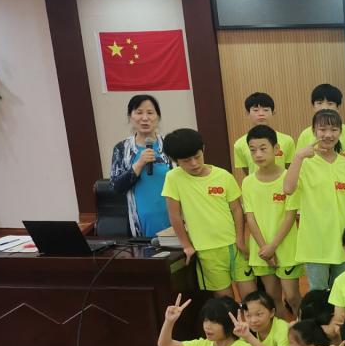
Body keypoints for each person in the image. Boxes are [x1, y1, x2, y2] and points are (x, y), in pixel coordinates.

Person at [162, 128, 254, 298]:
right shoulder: (173, 178)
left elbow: (237, 210)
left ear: (203, 149)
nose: (194, 164)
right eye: (186, 161)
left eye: (197, 157)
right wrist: (186, 245)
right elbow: (174, 215)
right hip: (206, 250)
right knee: (225, 301)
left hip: (235, 246)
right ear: (175, 160)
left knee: (251, 297)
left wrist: (240, 239)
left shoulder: (223, 176)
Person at [283, 109, 345, 291]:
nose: (328, 135)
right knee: (318, 295)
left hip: (344, 241)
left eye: (334, 129)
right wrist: (299, 156)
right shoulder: (304, 163)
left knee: (342, 293)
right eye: (323, 129)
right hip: (315, 242)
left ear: (340, 132)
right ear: (314, 131)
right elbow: (288, 189)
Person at [241, 125, 302, 317]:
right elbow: (250, 217)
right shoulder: (248, 182)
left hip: (286, 247)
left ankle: (303, 329)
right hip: (261, 250)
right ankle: (282, 332)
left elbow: (290, 216)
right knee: (273, 297)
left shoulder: (289, 179)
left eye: (263, 148)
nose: (258, 154)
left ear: (276, 149)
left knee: (292, 296)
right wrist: (265, 249)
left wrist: (273, 246)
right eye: (253, 150)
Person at [109, 94, 172, 237]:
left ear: (158, 117)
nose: (145, 118)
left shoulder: (169, 145)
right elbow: (116, 187)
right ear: (130, 116)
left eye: (150, 113)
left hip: (171, 216)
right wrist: (139, 164)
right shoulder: (122, 149)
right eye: (139, 112)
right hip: (139, 221)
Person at [296, 82, 345, 164]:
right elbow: (298, 163)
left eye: (330, 103)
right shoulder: (305, 134)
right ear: (313, 106)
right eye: (319, 103)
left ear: (337, 107)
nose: (324, 107)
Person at [232, 92, 295, 176]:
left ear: (273, 112)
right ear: (247, 113)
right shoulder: (239, 144)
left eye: (266, 110)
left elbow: (289, 169)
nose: (261, 114)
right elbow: (248, 171)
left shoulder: (287, 140)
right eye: (255, 110)